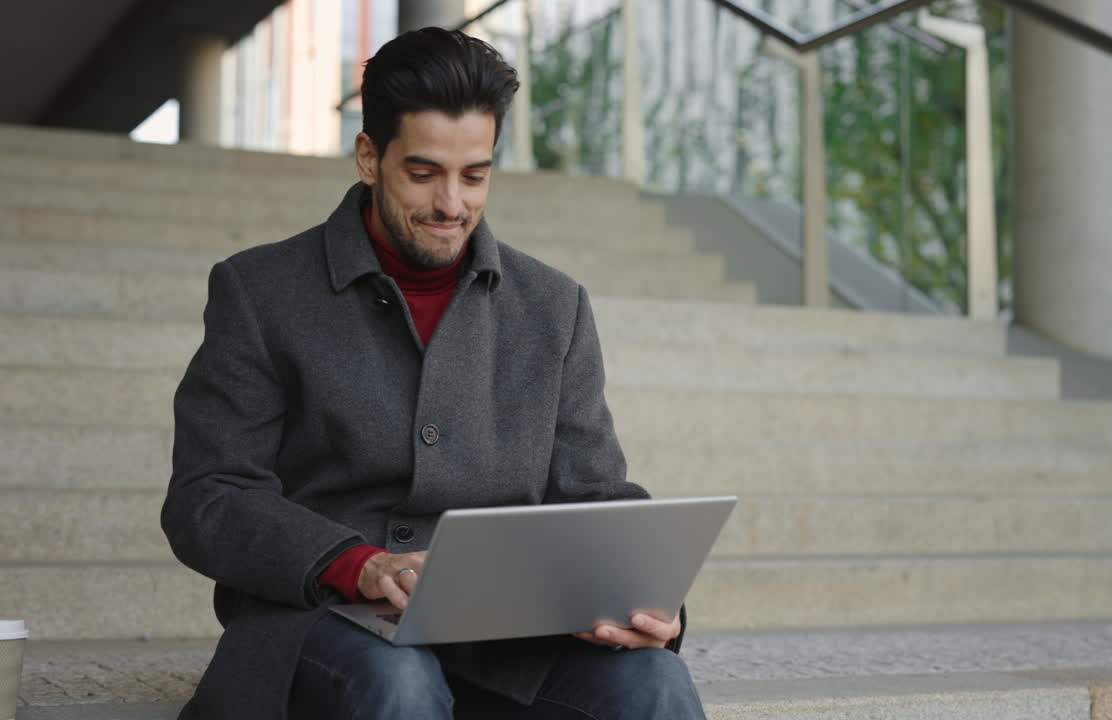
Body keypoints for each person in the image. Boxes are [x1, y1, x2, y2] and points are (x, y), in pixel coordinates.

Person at [161, 26, 706, 720]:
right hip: (326, 619)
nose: (452, 203)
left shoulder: (554, 305)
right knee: (400, 686)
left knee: (655, 685)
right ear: (368, 157)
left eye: (474, 175)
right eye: (423, 173)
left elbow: (593, 491)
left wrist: (649, 597)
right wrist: (355, 563)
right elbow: (210, 495)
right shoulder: (260, 291)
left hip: (508, 640)